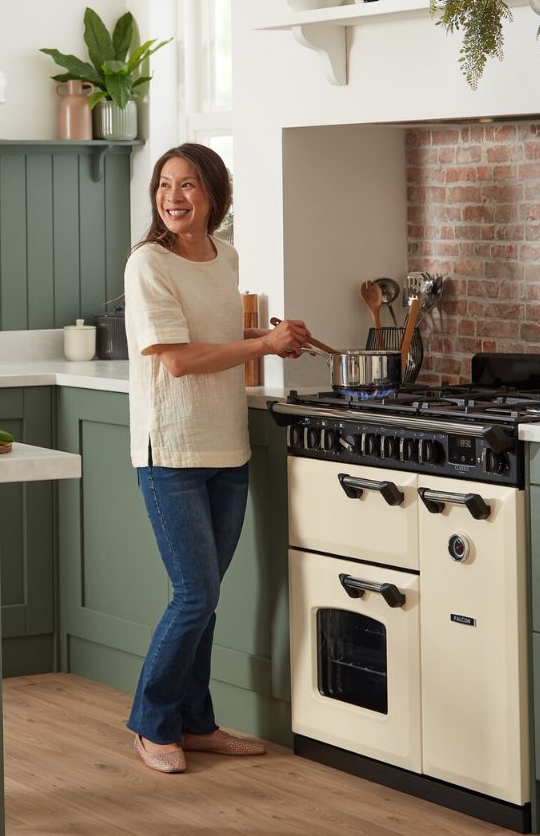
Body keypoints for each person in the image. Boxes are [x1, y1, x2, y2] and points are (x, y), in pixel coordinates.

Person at [122, 143, 311, 774]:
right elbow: (176, 358)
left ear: (214, 197)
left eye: (189, 186)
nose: (173, 197)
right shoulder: (148, 263)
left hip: (227, 445)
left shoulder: (225, 258)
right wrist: (261, 343)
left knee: (208, 595)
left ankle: (196, 724)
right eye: (165, 185)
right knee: (194, 595)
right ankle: (151, 723)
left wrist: (271, 340)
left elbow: (221, 342)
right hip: (169, 449)